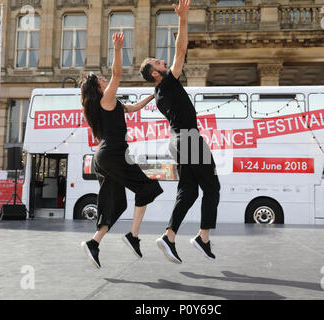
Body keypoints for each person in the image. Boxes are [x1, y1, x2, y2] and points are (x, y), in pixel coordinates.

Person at [139, 0, 220, 264]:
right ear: (155, 74)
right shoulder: (168, 85)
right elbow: (180, 50)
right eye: (157, 62)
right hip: (188, 139)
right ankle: (202, 237)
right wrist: (183, 19)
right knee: (212, 187)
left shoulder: (160, 93)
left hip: (179, 141)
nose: (162, 61)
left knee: (190, 191)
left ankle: (169, 236)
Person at [79, 33, 163, 269]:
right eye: (102, 79)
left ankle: (93, 243)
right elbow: (117, 73)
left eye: (105, 78)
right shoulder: (107, 99)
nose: (107, 80)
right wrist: (116, 48)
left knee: (116, 205)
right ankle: (133, 237)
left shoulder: (109, 104)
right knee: (147, 188)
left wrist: (154, 94)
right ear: (99, 87)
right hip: (113, 156)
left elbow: (134, 108)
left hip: (104, 158)